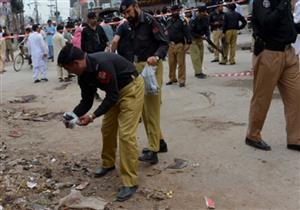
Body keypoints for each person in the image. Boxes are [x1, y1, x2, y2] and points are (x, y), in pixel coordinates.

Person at [58, 45, 144, 201]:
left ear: (76, 63)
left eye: (69, 68)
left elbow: (111, 96)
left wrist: (92, 116)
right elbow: (87, 100)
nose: (70, 72)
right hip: (115, 93)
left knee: (126, 135)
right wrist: (73, 115)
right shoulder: (83, 74)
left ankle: (130, 182)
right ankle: (108, 163)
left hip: (131, 88)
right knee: (107, 129)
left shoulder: (101, 64)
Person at [245, 0, 300, 151]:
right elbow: (266, 24)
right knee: (262, 97)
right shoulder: (262, 2)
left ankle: (295, 138)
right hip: (269, 53)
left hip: (289, 53)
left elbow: (287, 27)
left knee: (296, 97)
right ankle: (253, 135)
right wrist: (283, 5)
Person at [120, 0, 169, 164]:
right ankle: (160, 142)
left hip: (152, 67)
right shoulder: (131, 24)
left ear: (135, 6)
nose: (126, 16)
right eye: (124, 14)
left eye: (128, 11)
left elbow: (164, 43)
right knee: (145, 109)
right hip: (139, 67)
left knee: (151, 110)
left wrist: (156, 56)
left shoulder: (149, 21)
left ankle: (153, 150)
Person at [81, 12, 109, 101]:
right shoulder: (85, 31)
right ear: (89, 19)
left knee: (103, 72)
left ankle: (107, 91)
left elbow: (105, 39)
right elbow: (83, 45)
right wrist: (85, 55)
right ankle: (94, 92)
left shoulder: (100, 28)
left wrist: (107, 46)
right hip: (91, 55)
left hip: (100, 54)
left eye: (96, 18)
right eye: (93, 18)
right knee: (92, 73)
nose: (95, 20)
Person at [165, 5, 192, 87]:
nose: (175, 12)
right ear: (171, 12)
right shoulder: (168, 21)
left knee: (181, 64)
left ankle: (181, 80)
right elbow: (166, 32)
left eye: (176, 11)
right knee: (171, 63)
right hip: (170, 45)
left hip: (180, 44)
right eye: (173, 11)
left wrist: (189, 42)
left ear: (179, 11)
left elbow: (187, 32)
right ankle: (172, 78)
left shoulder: (182, 21)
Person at [189, 3, 210, 79]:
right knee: (196, 57)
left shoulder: (206, 17)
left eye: (206, 11)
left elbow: (207, 28)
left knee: (201, 56)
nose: (205, 13)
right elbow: (191, 31)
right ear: (200, 12)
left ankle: (199, 70)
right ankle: (198, 73)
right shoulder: (193, 19)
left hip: (200, 39)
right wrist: (200, 36)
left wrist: (207, 36)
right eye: (204, 12)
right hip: (193, 40)